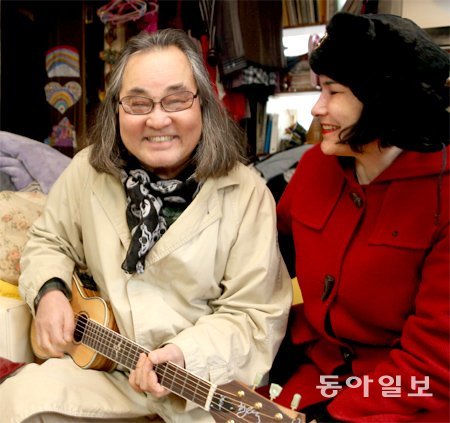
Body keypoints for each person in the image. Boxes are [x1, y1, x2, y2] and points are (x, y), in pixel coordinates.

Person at [0, 28, 292, 422]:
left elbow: (255, 316)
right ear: (117, 110)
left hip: (199, 386)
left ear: (203, 105)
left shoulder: (247, 194)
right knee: (20, 401)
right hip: (106, 370)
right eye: (138, 103)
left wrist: (185, 354)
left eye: (176, 100)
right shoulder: (88, 170)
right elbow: (50, 240)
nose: (158, 119)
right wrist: (50, 292)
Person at [270, 12, 450, 423]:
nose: (317, 109)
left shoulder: (443, 192)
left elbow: (434, 361)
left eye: (333, 92)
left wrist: (340, 414)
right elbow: (272, 260)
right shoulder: (315, 165)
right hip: (314, 373)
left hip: (402, 395)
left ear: (383, 99)